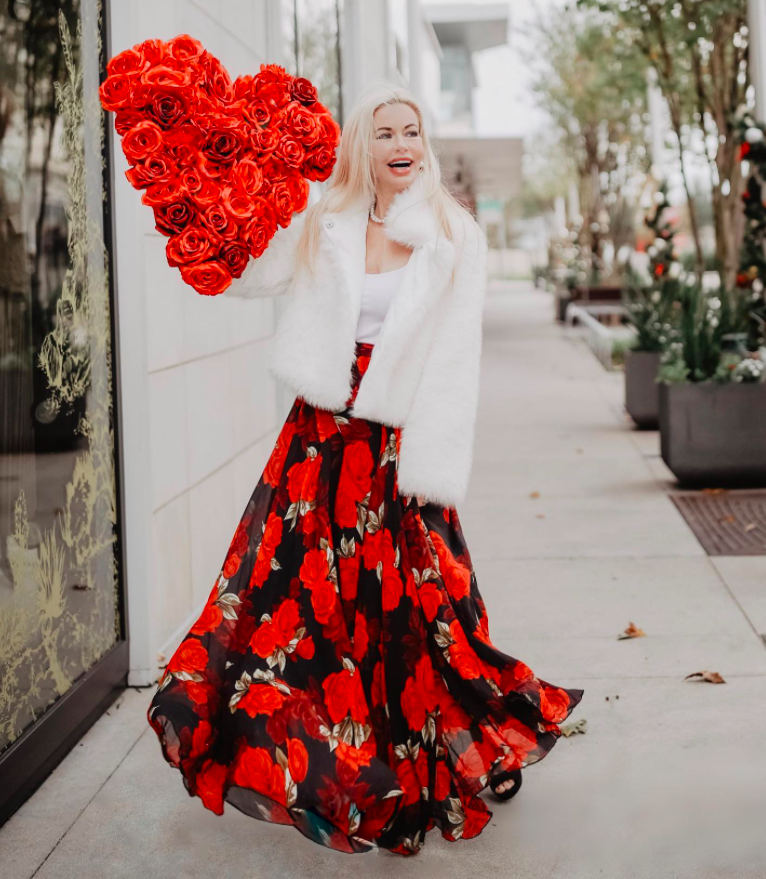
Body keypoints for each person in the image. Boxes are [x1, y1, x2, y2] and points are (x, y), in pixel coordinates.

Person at [147, 80, 584, 857]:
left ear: (426, 141)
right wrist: (198, 208)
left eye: (410, 130)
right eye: (383, 133)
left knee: (423, 612)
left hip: (399, 444)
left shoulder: (453, 233)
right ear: (364, 146)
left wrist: (432, 459)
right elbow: (251, 273)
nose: (399, 145)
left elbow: (456, 359)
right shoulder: (327, 219)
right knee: (290, 601)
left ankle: (468, 735)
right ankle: (333, 759)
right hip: (319, 439)